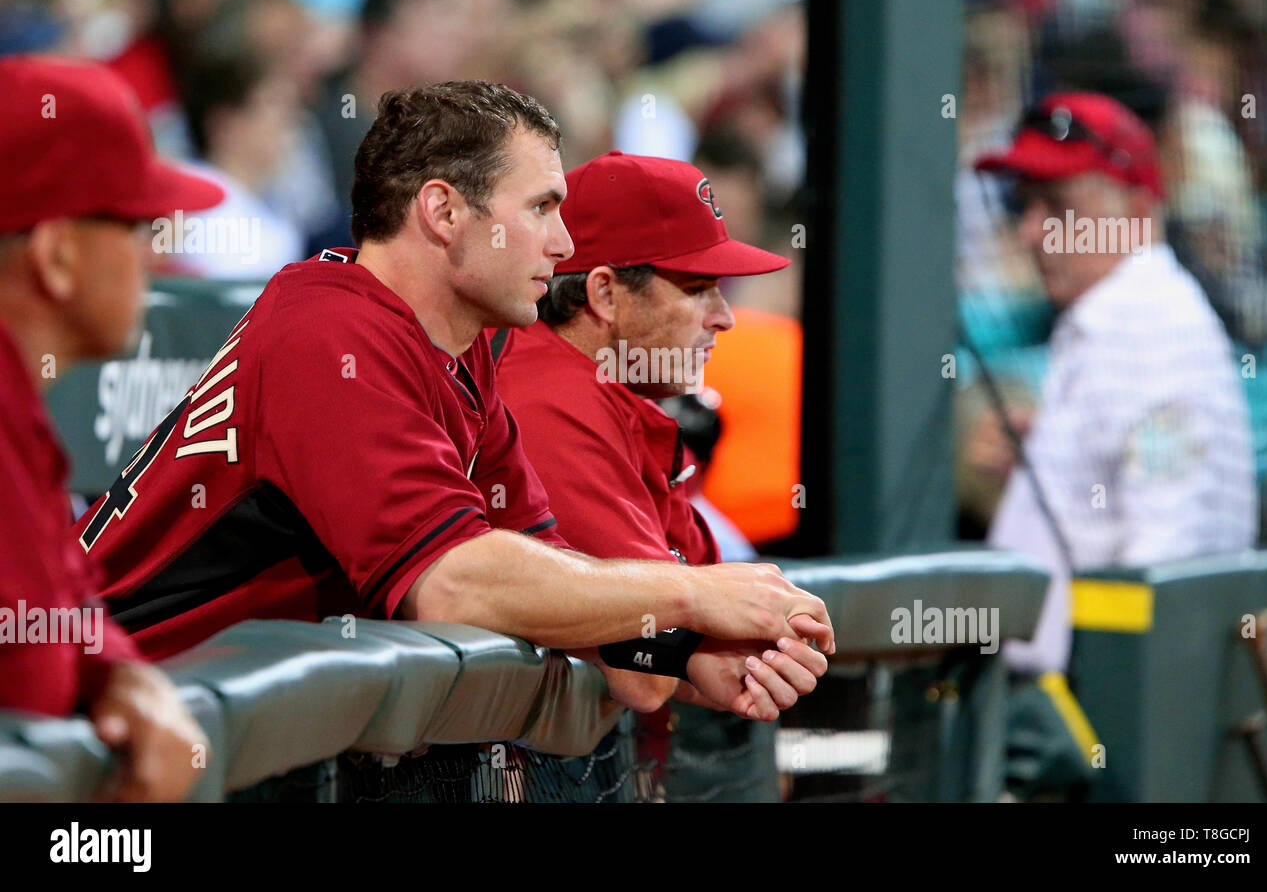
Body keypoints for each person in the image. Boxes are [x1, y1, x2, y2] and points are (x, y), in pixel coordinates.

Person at [76, 81, 834, 724]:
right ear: (443, 212)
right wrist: (695, 597)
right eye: (540, 208)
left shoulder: (458, 348)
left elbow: (540, 562)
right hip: (89, 722)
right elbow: (454, 582)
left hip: (201, 722)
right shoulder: (329, 335)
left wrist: (684, 649)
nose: (566, 243)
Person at [971, 91, 1256, 795]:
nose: (1035, 233)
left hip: (1114, 717)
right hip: (1069, 702)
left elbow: (1168, 561)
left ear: (1137, 211)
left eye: (1061, 208)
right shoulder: (1109, 318)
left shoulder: (1154, 332)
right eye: (1025, 206)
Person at [495, 151, 824, 716]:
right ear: (604, 294)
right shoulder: (548, 394)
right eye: (698, 289)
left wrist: (709, 652)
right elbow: (641, 678)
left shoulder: (620, 399)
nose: (724, 317)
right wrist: (695, 647)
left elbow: (692, 605)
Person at [0, 56, 216, 801]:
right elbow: (27, 677)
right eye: (135, 225)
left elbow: (60, 612)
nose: (158, 253)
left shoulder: (19, 404)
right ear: (56, 256)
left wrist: (116, 670)